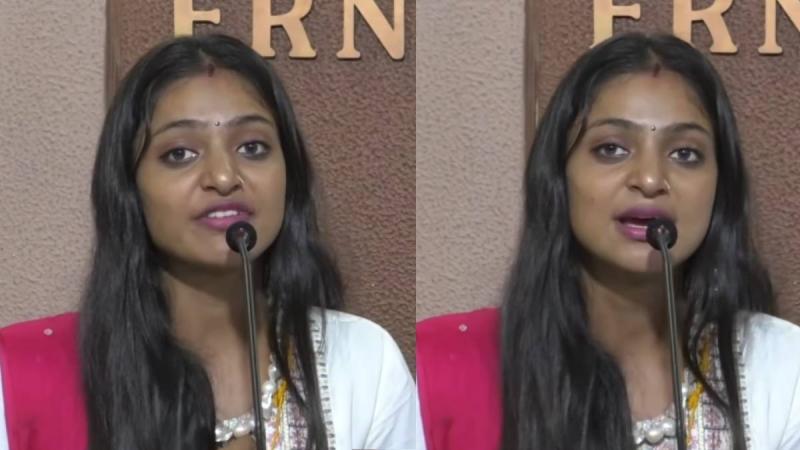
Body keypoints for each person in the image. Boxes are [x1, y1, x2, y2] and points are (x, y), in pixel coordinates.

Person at [0, 34, 417, 450]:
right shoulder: (25, 380)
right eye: (180, 153)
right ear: (129, 188)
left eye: (252, 147)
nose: (223, 176)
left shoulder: (364, 364)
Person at [417, 32, 800, 450]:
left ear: (719, 188)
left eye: (685, 154)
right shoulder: (443, 368)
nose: (650, 179)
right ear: (558, 177)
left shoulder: (781, 369)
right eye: (612, 149)